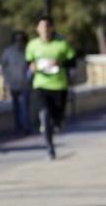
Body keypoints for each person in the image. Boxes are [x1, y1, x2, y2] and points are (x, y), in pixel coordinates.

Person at [26, 16, 76, 160]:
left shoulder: (62, 44)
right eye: (41, 27)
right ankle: (50, 148)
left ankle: (56, 123)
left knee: (57, 120)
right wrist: (31, 67)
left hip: (59, 86)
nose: (44, 30)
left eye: (47, 27)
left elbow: (72, 61)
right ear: (37, 29)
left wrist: (60, 63)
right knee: (45, 114)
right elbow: (28, 63)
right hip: (40, 85)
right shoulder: (32, 45)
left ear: (52, 28)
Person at [0, 31, 32, 136]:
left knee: (23, 107)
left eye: (21, 40)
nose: (19, 42)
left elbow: (32, 66)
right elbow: (2, 67)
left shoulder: (27, 51)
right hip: (14, 84)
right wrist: (7, 79)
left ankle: (24, 128)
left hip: (24, 83)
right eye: (17, 40)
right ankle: (20, 127)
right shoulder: (8, 52)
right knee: (18, 107)